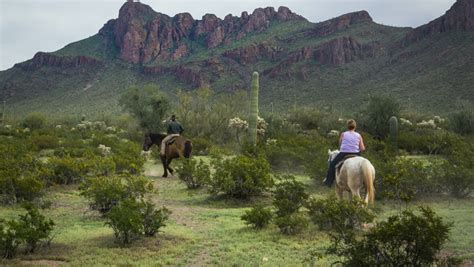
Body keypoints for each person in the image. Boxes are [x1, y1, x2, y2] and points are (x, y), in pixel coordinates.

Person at [323, 119, 365, 187]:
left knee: (332, 165)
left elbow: (340, 145)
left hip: (344, 153)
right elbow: (362, 148)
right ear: (355, 126)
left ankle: (328, 181)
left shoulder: (343, 134)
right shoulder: (358, 135)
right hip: (356, 154)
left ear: (347, 126)